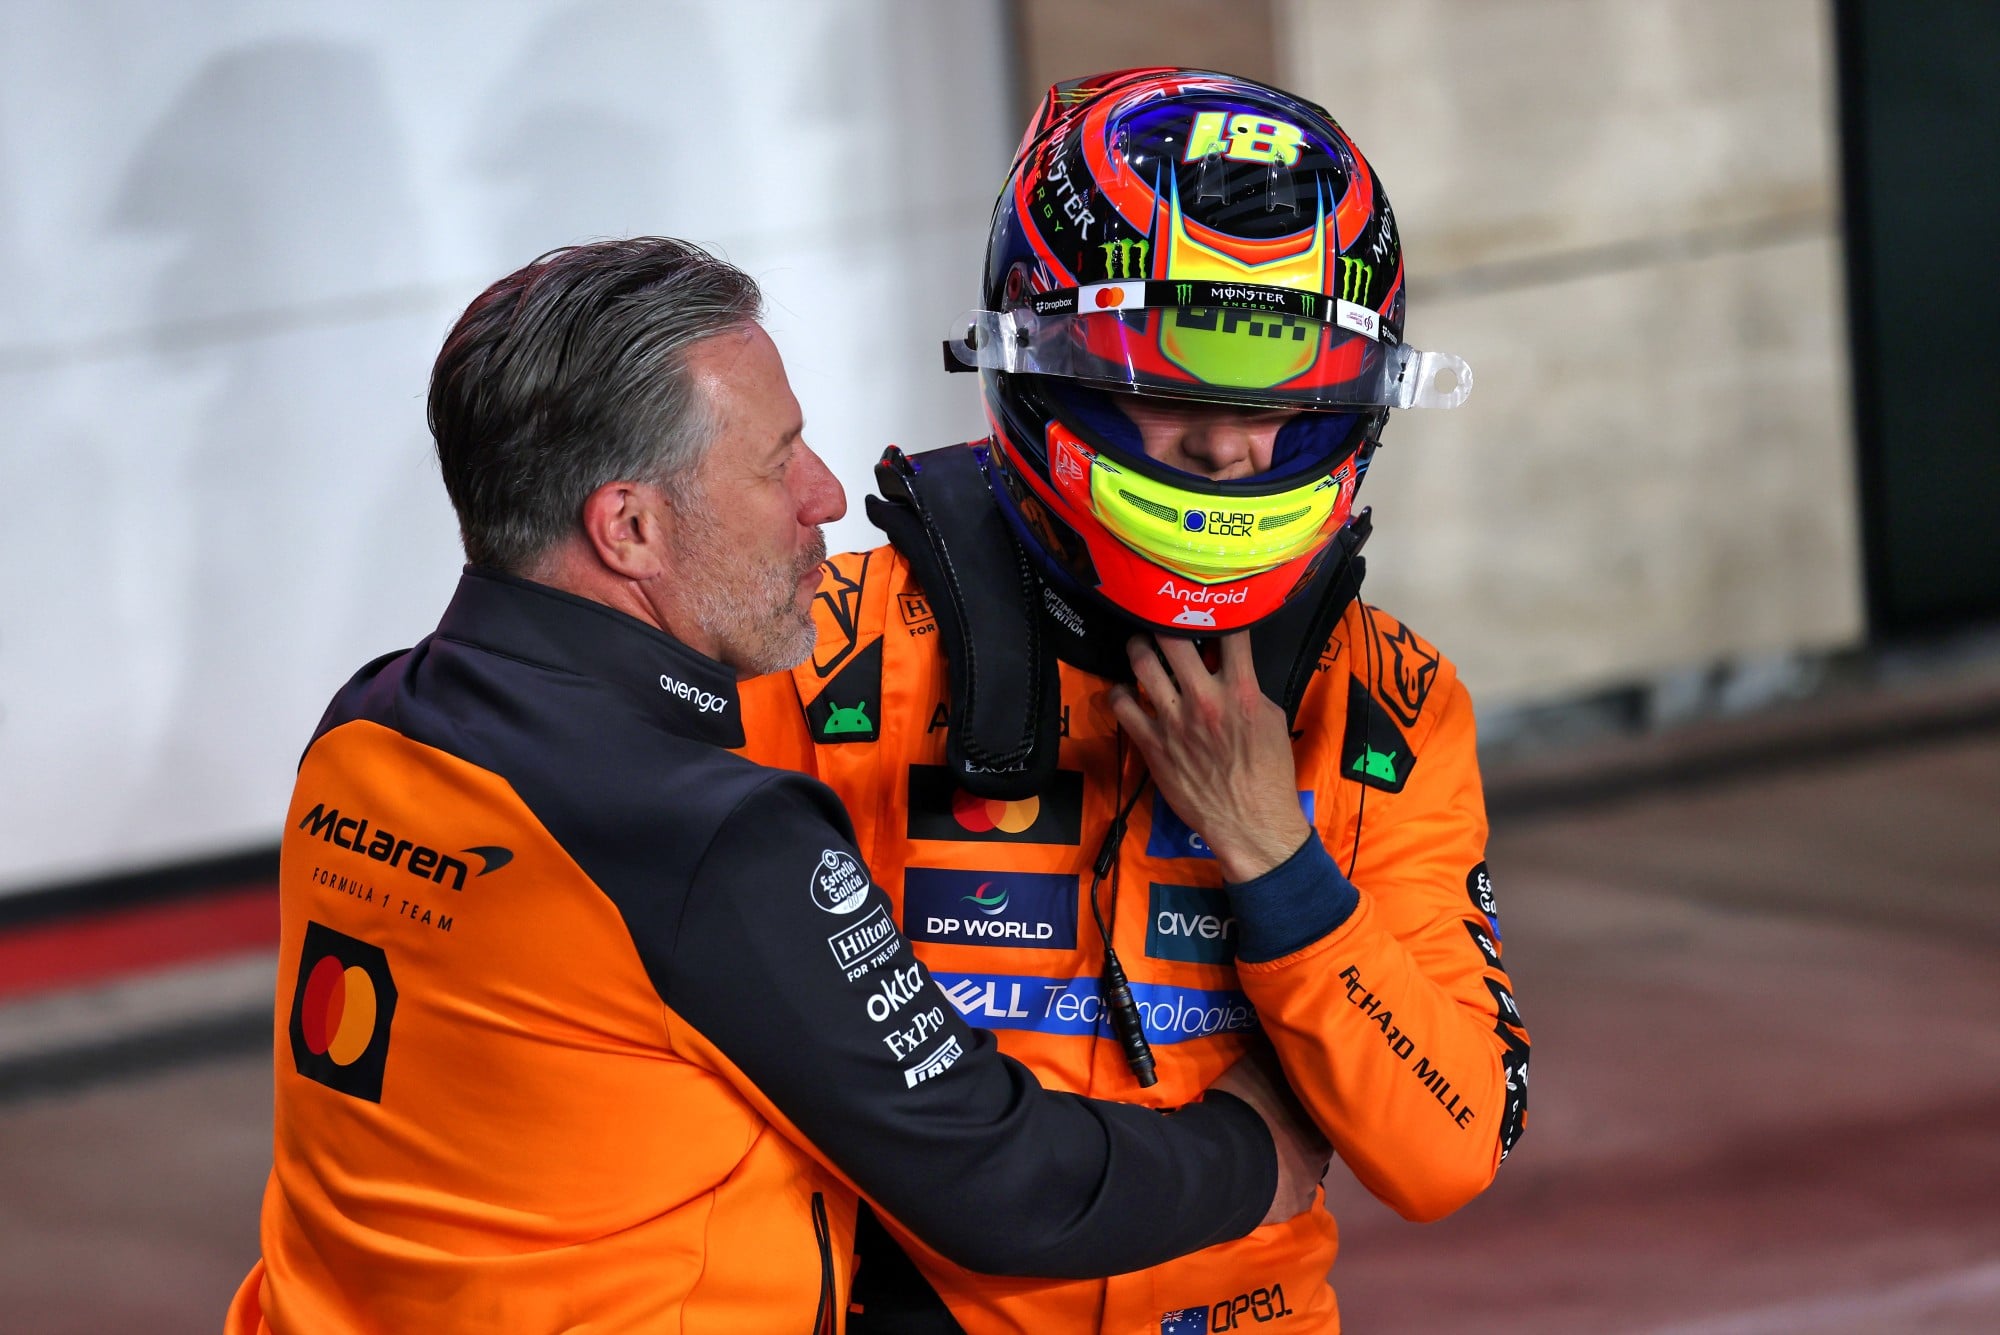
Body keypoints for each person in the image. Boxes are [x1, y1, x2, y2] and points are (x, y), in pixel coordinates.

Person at [223, 237, 1333, 1334]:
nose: (826, 494)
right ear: (630, 528)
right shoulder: (710, 837)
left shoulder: (367, 728)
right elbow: (1005, 1185)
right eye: (776, 459)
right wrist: (1251, 1152)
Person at [737, 69, 1531, 1332]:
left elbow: (1444, 1150)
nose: (1234, 450)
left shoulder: (1388, 702)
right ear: (1051, 365)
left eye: (1288, 395)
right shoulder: (823, 653)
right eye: (1181, 387)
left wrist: (1275, 857)